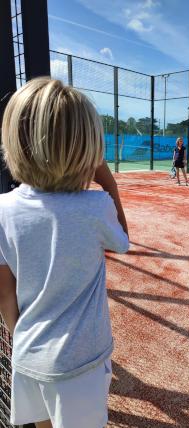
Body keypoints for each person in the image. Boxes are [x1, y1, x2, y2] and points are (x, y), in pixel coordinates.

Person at [0, 77, 129, 428]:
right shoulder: (95, 205)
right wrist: (109, 182)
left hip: (27, 356)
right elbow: (123, 240)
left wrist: (23, 339)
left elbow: (5, 292)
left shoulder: (2, 208)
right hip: (79, 364)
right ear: (87, 150)